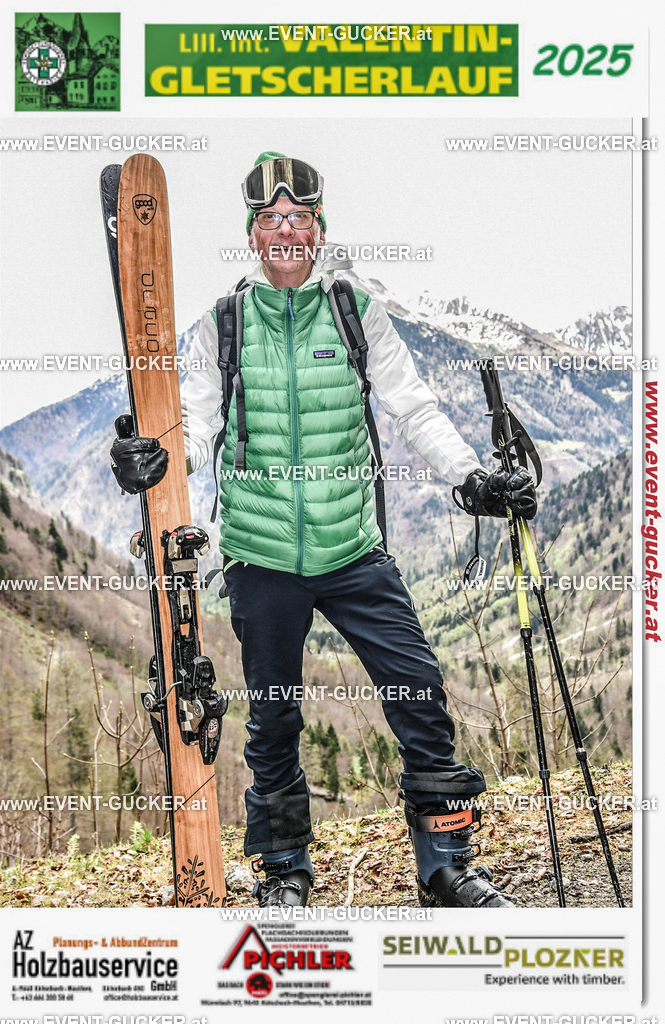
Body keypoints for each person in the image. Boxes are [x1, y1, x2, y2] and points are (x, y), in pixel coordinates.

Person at [111, 152, 537, 909]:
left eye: (298, 219)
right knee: (273, 716)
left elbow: (413, 407)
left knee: (418, 688)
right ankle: (285, 870)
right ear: (253, 233)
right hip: (260, 555)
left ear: (316, 229)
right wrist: (146, 457)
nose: (285, 231)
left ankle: (444, 863)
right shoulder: (223, 323)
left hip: (353, 550)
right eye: (270, 220)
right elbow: (190, 422)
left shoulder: (354, 310)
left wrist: (469, 478)